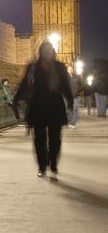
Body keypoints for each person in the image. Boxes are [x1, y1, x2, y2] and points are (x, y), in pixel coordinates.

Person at [14, 41, 73, 177]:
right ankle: (42, 167)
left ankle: (52, 162)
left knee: (55, 139)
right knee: (39, 140)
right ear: (41, 52)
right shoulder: (33, 67)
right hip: (38, 106)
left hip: (55, 106)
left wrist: (70, 100)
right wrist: (17, 98)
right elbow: (24, 84)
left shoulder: (59, 67)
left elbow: (65, 86)